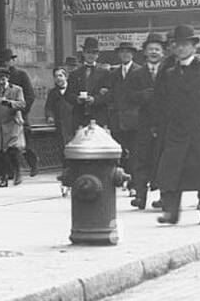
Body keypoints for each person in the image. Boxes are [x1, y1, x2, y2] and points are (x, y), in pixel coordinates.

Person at [152, 25, 200, 225]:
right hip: (177, 130)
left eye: (185, 44)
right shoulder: (169, 73)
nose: (180, 48)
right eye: (177, 45)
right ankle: (171, 213)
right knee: (171, 172)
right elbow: (163, 102)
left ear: (194, 47)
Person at [121, 33, 166, 209]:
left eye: (157, 49)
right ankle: (140, 195)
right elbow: (126, 97)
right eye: (150, 49)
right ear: (145, 53)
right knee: (141, 159)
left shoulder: (169, 73)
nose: (154, 52)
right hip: (144, 124)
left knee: (164, 160)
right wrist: (142, 95)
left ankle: (165, 196)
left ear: (162, 53)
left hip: (165, 124)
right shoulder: (137, 74)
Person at [0, 47, 38, 177]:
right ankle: (12, 171)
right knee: (9, 145)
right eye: (3, 61)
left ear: (12, 61)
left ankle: (33, 164)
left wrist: (22, 111)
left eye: (8, 60)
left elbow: (30, 95)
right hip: (6, 116)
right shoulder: (0, 78)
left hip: (20, 114)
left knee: (25, 143)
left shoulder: (21, 75)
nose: (6, 63)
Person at [0, 66, 26, 187]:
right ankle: (3, 178)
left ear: (7, 78)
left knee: (12, 151)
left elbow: (22, 104)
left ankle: (17, 172)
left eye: (3, 79)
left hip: (12, 124)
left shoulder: (17, 90)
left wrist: (8, 102)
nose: (0, 82)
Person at [66, 36, 111, 132]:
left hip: (99, 118)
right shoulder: (75, 74)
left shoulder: (105, 73)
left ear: (98, 55)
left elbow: (109, 95)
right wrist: (77, 99)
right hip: (80, 118)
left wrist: (95, 99)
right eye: (88, 52)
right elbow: (68, 95)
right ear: (83, 53)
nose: (91, 55)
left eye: (94, 53)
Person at [108, 41, 140, 173]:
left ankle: (134, 183)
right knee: (120, 152)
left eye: (128, 52)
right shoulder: (114, 73)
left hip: (135, 120)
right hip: (117, 120)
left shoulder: (140, 71)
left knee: (135, 152)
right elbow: (110, 95)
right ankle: (123, 178)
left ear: (132, 54)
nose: (125, 54)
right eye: (122, 52)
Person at [43, 66, 76, 173]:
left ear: (66, 77)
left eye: (60, 76)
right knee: (62, 147)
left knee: (74, 146)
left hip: (73, 123)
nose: (58, 78)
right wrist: (49, 116)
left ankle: (75, 168)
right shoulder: (53, 92)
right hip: (60, 124)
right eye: (56, 76)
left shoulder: (73, 90)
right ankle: (66, 169)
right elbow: (48, 107)